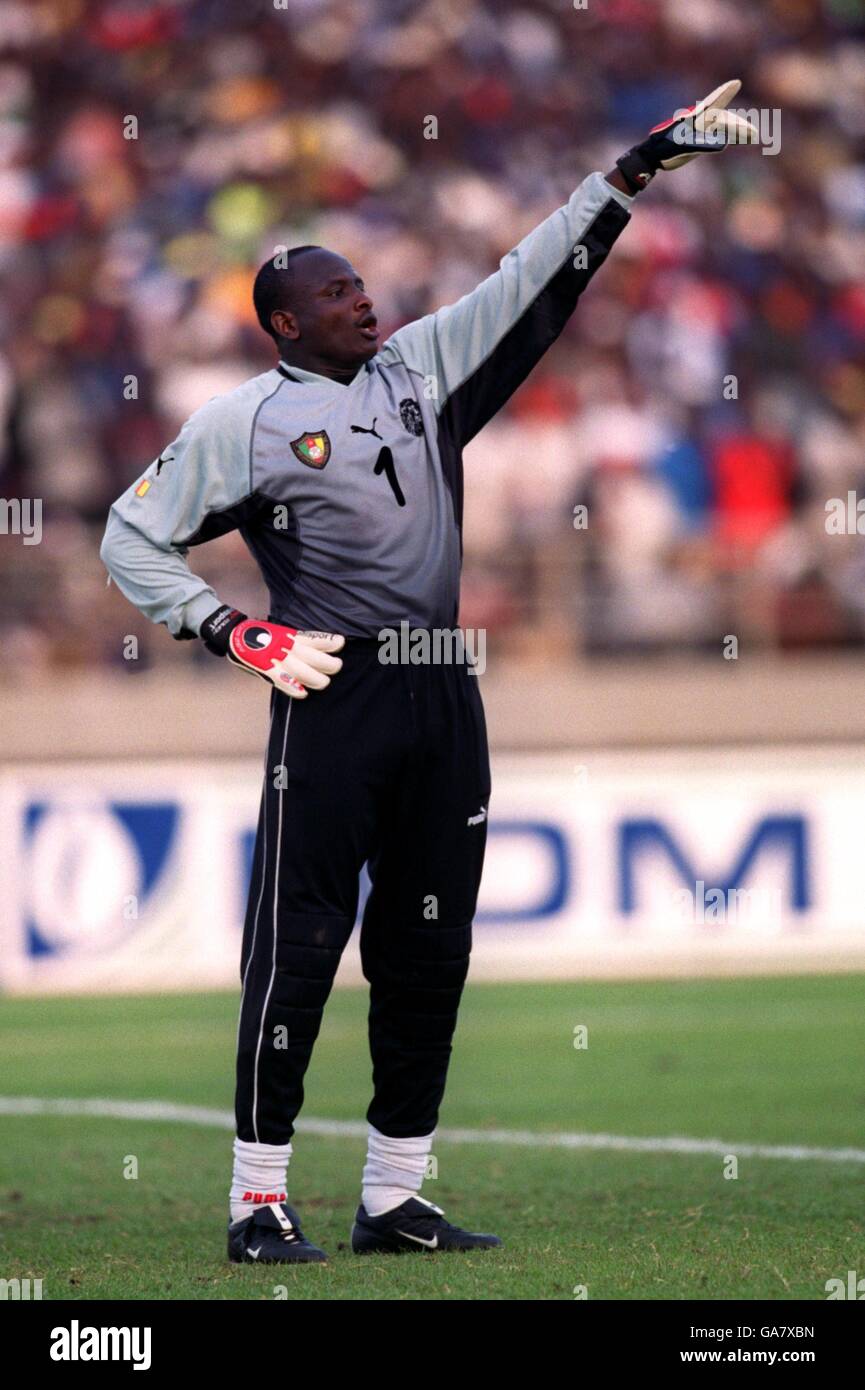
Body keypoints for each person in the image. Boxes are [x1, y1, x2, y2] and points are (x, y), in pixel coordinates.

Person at [100, 82, 756, 1263]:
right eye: (335, 293)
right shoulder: (241, 424)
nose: (364, 300)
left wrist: (624, 177)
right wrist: (230, 629)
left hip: (442, 688)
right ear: (285, 324)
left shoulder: (418, 368)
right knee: (297, 950)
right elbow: (126, 535)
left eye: (361, 284)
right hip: (333, 693)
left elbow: (524, 281)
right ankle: (259, 1201)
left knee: (427, 950)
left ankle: (394, 1198)